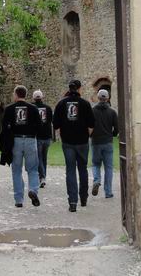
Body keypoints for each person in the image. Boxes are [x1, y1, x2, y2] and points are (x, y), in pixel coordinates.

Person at [53, 79, 94, 212]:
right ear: (79, 89)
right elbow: (92, 124)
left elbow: (56, 125)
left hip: (68, 142)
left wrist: (63, 134)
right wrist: (86, 134)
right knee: (83, 169)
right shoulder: (85, 104)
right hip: (82, 141)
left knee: (70, 170)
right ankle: (83, 198)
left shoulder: (61, 104)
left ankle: (72, 202)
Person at [1, 85, 41, 207]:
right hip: (30, 140)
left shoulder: (9, 109)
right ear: (25, 95)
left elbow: (4, 127)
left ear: (16, 94)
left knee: (16, 170)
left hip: (16, 141)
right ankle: (33, 189)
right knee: (33, 169)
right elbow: (39, 125)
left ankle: (19, 200)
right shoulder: (33, 108)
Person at [91, 89, 119, 199]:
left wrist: (91, 135)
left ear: (98, 98)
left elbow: (89, 125)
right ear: (107, 98)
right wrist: (112, 134)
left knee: (95, 164)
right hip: (108, 141)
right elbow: (116, 128)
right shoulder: (112, 112)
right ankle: (108, 192)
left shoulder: (92, 111)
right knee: (109, 167)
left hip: (96, 141)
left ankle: (97, 180)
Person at [32, 90, 53, 189]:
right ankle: (43, 177)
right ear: (42, 97)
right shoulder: (48, 108)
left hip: (38, 136)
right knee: (44, 158)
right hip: (47, 136)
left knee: (39, 158)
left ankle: (42, 177)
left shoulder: (32, 108)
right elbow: (52, 122)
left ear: (33, 98)